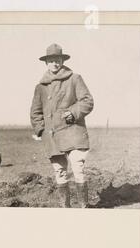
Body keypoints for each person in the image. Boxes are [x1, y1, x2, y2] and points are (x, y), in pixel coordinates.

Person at [30, 44, 94, 208]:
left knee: (78, 169)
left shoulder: (75, 79)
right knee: (59, 172)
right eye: (51, 61)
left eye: (57, 60)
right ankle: (65, 211)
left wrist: (73, 112)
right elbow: (35, 113)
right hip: (52, 137)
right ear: (46, 63)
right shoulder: (40, 87)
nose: (55, 64)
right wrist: (42, 131)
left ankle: (83, 209)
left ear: (62, 60)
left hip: (73, 132)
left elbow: (87, 101)